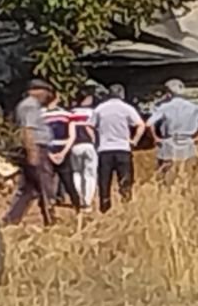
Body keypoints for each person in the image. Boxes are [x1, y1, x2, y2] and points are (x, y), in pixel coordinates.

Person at [3, 79, 56, 227]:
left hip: (36, 148)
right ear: (36, 91)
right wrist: (33, 152)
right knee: (45, 185)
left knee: (29, 189)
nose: (48, 96)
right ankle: (50, 217)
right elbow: (28, 130)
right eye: (47, 92)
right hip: (37, 148)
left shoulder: (30, 106)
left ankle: (12, 219)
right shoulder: (30, 106)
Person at [147, 79, 198, 185]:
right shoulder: (193, 106)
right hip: (188, 142)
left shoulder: (164, 107)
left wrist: (155, 137)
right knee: (187, 175)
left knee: (166, 176)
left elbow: (148, 124)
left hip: (169, 142)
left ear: (168, 93)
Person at [92, 84, 146, 213]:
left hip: (104, 149)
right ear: (122, 94)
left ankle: (104, 208)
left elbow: (90, 125)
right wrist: (134, 140)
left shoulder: (100, 109)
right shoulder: (127, 108)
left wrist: (96, 140)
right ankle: (126, 206)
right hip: (123, 149)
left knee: (104, 181)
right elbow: (141, 125)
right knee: (125, 181)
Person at [44, 94, 81, 212]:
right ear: (58, 99)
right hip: (63, 150)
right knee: (69, 182)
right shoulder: (67, 115)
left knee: (47, 184)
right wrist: (64, 152)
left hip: (48, 152)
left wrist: (49, 154)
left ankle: (49, 210)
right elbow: (72, 136)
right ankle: (78, 208)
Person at [68, 88, 99, 211]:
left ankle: (79, 198)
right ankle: (88, 201)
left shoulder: (71, 113)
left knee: (76, 172)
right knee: (90, 174)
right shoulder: (93, 112)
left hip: (75, 145)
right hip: (89, 145)